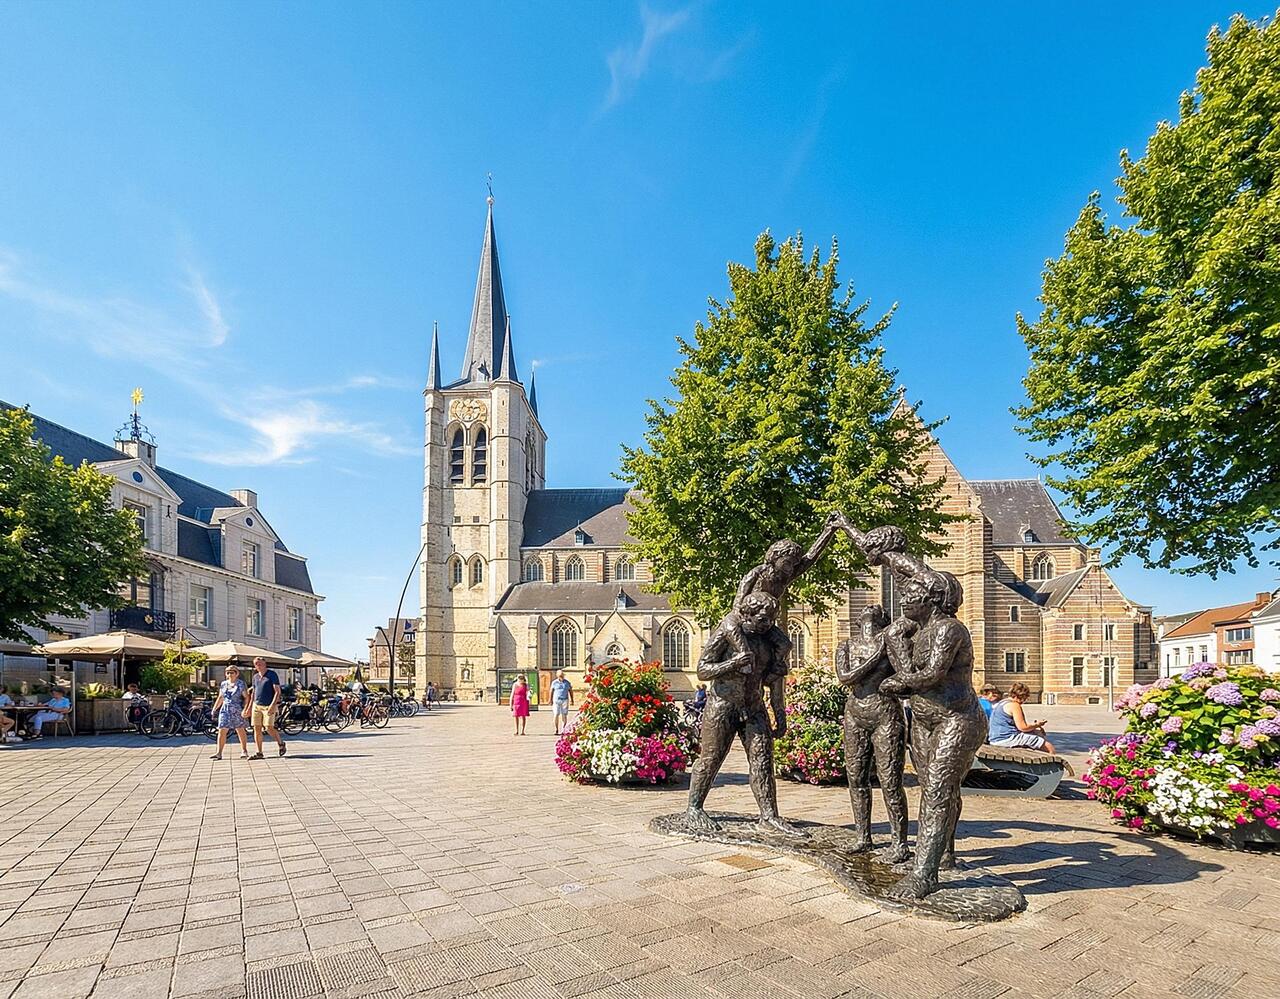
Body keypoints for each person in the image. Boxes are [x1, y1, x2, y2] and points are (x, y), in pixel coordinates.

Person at [685, 592, 799, 836]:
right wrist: (734, 663)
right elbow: (702, 670)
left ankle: (769, 816)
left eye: (771, 619)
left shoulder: (768, 641)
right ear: (747, 616)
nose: (768, 624)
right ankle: (694, 808)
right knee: (711, 759)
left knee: (763, 760)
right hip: (722, 706)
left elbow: (774, 681)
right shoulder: (727, 634)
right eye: (763, 619)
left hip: (753, 707)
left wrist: (780, 713)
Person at [834, 605, 909, 862]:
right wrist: (877, 657)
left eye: (876, 609)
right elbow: (845, 677)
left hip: (885, 715)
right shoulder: (846, 646)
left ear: (883, 619)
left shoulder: (892, 644)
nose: (871, 607)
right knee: (856, 778)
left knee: (890, 781)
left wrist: (891, 682)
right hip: (855, 714)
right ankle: (862, 837)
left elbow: (906, 678)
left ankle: (899, 843)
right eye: (867, 608)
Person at [987, 683, 1055, 753]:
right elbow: (1023, 727)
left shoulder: (1002, 702)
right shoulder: (1014, 705)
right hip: (1006, 739)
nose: (1024, 701)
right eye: (1024, 698)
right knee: (1049, 747)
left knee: (1035, 734)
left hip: (994, 739)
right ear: (1021, 696)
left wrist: (1035, 730)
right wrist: (1038, 724)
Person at [249, 657, 287, 759]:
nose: (258, 665)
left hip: (268, 705)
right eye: (256, 664)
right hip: (257, 705)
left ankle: (281, 743)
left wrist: (272, 705)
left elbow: (277, 691)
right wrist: (249, 707)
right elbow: (253, 692)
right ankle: (259, 752)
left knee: (268, 727)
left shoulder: (271, 674)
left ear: (265, 664)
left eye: (260, 663)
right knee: (256, 728)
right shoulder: (255, 676)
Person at [210, 666, 250, 760]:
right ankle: (219, 752)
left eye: (232, 672)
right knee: (222, 730)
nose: (229, 674)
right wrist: (214, 709)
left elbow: (246, 697)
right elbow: (221, 697)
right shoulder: (223, 684)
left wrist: (245, 708)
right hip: (225, 709)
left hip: (237, 709)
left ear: (237, 673)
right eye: (227, 672)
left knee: (240, 729)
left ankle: (244, 750)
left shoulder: (240, 684)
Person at [550, 670, 574, 734]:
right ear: (557, 676)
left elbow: (570, 691)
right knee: (556, 714)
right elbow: (551, 691)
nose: (561, 677)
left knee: (564, 714)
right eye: (560, 676)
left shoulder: (567, 682)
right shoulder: (554, 682)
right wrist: (550, 700)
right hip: (556, 700)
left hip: (565, 700)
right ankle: (556, 729)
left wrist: (572, 700)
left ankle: (563, 729)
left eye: (562, 675)